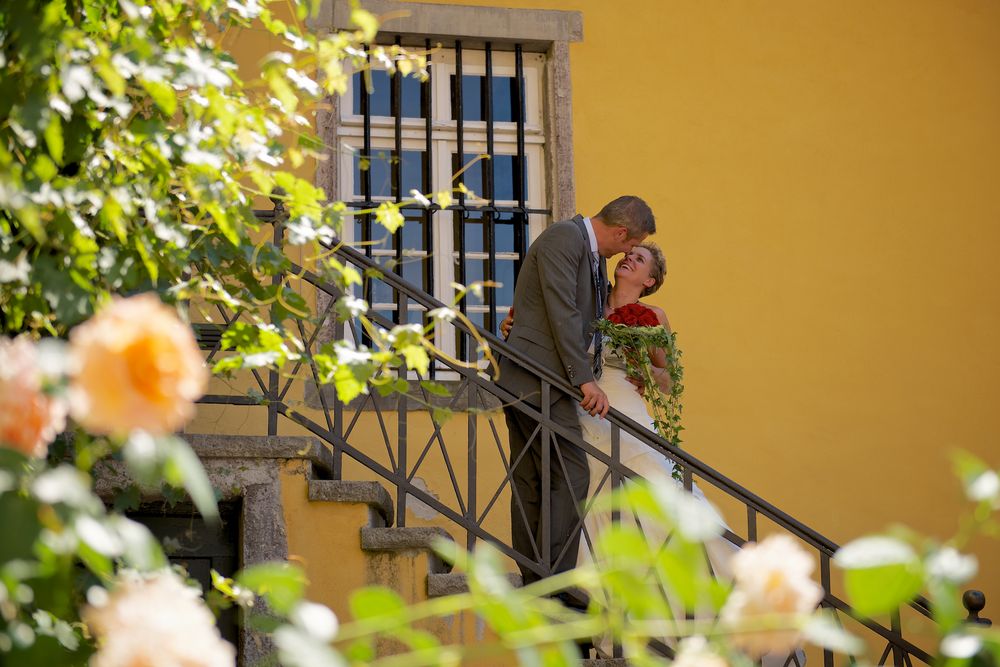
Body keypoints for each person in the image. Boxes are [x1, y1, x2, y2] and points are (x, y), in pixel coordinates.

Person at [497, 195, 656, 597]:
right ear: (621, 232)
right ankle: (555, 583)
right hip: (536, 379)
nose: (626, 253)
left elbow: (580, 320)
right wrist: (586, 381)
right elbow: (563, 312)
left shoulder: (591, 257)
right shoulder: (564, 239)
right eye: (629, 244)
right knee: (569, 472)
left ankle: (541, 579)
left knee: (536, 479)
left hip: (541, 378)